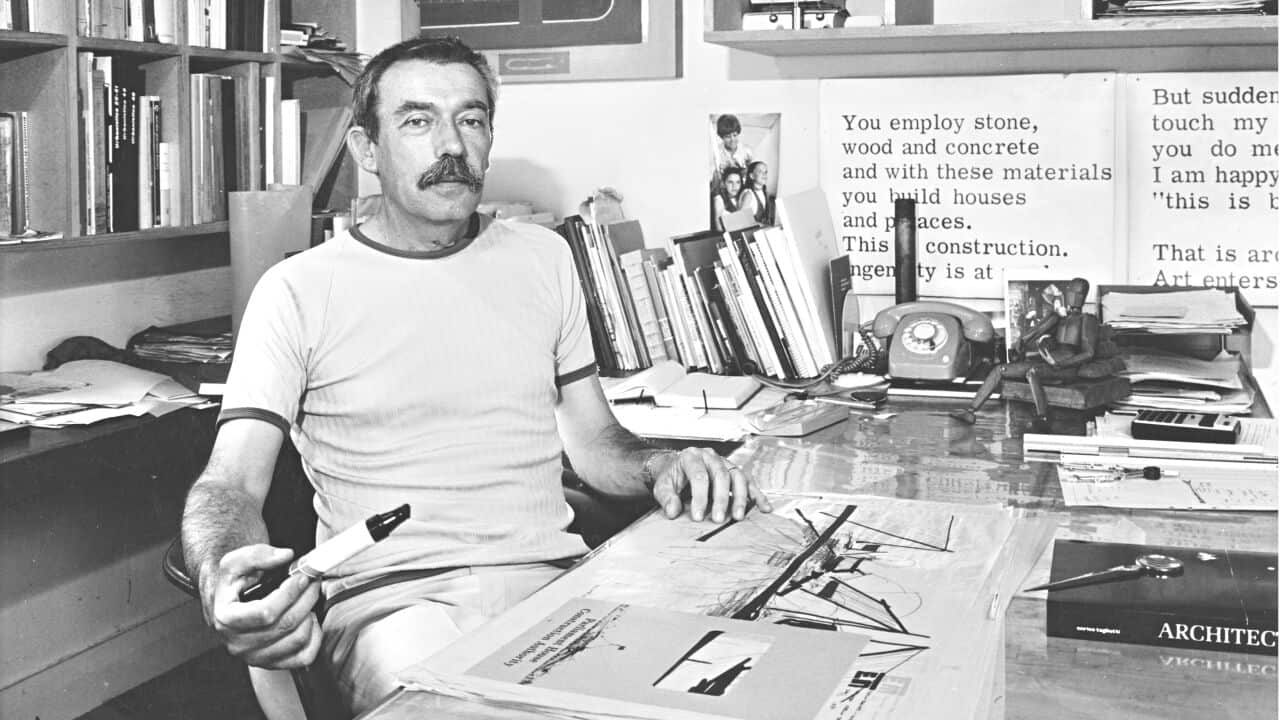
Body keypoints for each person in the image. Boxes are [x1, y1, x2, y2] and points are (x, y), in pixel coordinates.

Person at [181, 36, 772, 718]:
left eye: (471, 119)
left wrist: (663, 466)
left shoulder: (544, 260)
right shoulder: (296, 292)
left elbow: (597, 447)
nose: (451, 145)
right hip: (397, 608)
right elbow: (227, 485)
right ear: (367, 151)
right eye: (417, 121)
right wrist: (219, 576)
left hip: (560, 592)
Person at [951, 277, 1124, 427]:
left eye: (1079, 293)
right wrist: (1022, 341)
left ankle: (1043, 416)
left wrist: (1060, 364)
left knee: (1032, 372)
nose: (1074, 296)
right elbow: (1035, 333)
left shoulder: (1087, 320)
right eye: (1072, 291)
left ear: (1085, 296)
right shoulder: (1059, 318)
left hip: (1068, 367)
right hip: (1047, 361)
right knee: (1000, 369)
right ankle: (970, 411)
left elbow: (1088, 353)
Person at [710, 113, 753, 191]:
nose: (732, 139)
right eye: (728, 136)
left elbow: (751, 172)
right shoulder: (717, 153)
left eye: (735, 135)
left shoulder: (746, 151)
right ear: (721, 137)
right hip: (723, 189)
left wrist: (745, 170)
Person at [738, 160, 774, 225]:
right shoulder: (748, 194)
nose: (764, 174)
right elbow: (741, 220)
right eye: (760, 171)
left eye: (765, 172)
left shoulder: (765, 193)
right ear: (751, 176)